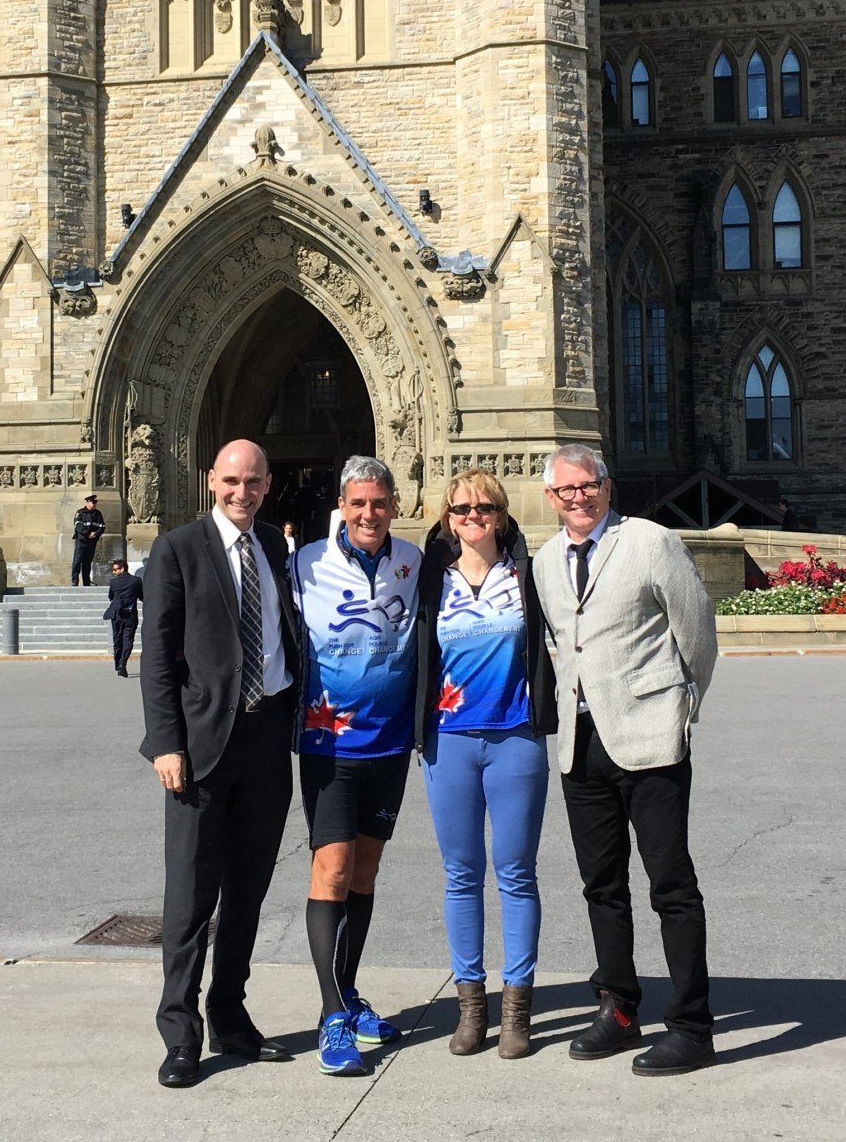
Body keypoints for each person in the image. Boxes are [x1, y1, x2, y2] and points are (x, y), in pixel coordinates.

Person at [532, 443, 719, 1077]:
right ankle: (618, 1006)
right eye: (565, 491)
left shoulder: (649, 542)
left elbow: (696, 627)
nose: (577, 498)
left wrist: (681, 707)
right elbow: (565, 641)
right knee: (601, 885)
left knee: (671, 885)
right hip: (580, 743)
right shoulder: (545, 560)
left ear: (606, 488)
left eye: (587, 487)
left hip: (649, 736)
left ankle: (692, 1024)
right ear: (551, 498)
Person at [139, 440, 300, 1089]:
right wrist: (165, 742)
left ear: (267, 483)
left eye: (254, 481)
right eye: (232, 480)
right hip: (201, 746)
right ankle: (180, 1032)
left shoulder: (274, 543)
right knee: (190, 897)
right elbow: (156, 659)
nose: (243, 491)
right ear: (212, 480)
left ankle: (229, 1014)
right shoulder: (176, 549)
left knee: (247, 892)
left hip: (266, 740)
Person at [415, 468, 556, 1060]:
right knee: (460, 873)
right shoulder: (429, 582)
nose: (471, 517)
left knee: (516, 872)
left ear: (501, 514)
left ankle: (517, 1007)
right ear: (446, 519)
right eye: (460, 509)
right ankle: (472, 1008)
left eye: (483, 508)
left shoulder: (527, 576)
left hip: (515, 739)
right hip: (449, 741)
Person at [291, 456, 421, 1077]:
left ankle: (349, 994)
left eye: (379, 502)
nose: (369, 513)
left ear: (394, 504)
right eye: (358, 503)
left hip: (390, 745)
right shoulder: (305, 562)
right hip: (328, 745)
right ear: (341, 505)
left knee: (365, 871)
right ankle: (330, 1015)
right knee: (333, 868)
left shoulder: (414, 562)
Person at [105, 558, 143, 677]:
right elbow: (141, 595)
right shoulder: (136, 580)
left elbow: (110, 596)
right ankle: (123, 663)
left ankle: (118, 663)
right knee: (128, 640)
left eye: (116, 570)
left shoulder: (113, 582)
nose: (114, 572)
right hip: (130, 615)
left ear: (122, 569)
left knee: (117, 638)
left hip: (117, 614)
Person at [71, 494, 105, 585]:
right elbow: (78, 526)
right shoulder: (80, 513)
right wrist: (87, 533)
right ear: (88, 502)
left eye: (95, 502)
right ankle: (74, 581)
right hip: (81, 541)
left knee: (87, 562)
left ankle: (86, 581)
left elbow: (102, 526)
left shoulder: (97, 514)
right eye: (93, 502)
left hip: (92, 541)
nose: (94, 504)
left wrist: (95, 534)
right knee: (77, 561)